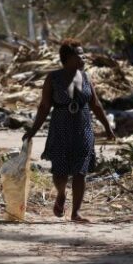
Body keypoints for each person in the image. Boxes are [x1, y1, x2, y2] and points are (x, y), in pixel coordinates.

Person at [23, 39, 116, 222]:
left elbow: (95, 105)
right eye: (79, 54)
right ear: (67, 57)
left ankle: (76, 213)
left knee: (80, 172)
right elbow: (44, 107)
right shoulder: (53, 78)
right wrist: (33, 131)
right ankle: (61, 194)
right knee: (60, 172)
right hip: (60, 129)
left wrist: (107, 127)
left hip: (83, 129)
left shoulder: (86, 77)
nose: (83, 57)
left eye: (83, 54)